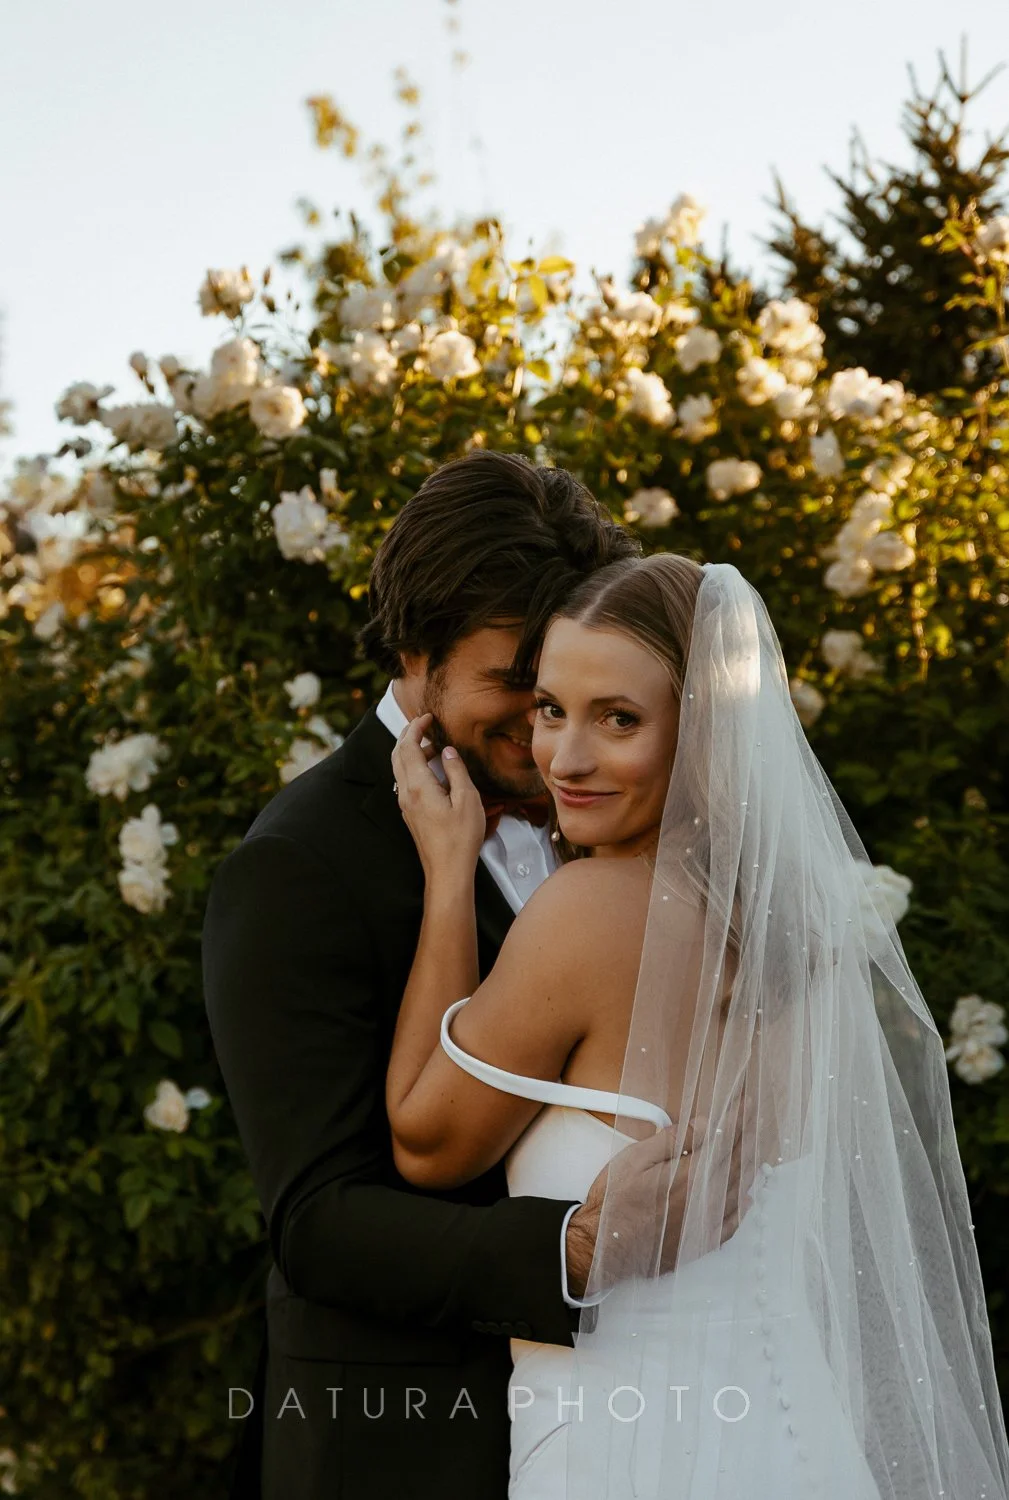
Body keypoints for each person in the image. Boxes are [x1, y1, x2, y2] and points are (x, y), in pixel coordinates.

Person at [386, 552, 1009, 1499]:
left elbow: (426, 1144)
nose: (565, 758)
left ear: (703, 730)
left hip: (632, 1453)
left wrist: (446, 873)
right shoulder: (795, 928)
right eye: (550, 708)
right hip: (803, 1443)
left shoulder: (587, 912)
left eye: (618, 719)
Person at [203, 451, 708, 1500]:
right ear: (413, 649)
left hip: (642, 1415)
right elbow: (318, 1219)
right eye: (517, 684)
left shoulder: (617, 808)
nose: (547, 724)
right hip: (405, 1447)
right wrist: (568, 1251)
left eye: (566, 684)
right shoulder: (300, 862)